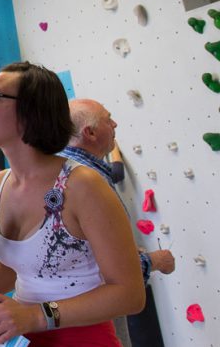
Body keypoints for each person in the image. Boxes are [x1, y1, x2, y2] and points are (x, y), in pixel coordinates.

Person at [0, 62, 145, 345]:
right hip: (25, 334)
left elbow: (130, 293)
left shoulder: (83, 186)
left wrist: (38, 316)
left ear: (32, 110)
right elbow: (17, 266)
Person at [65, 99, 174, 347]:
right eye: (107, 118)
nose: (115, 123)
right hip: (94, 320)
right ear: (89, 133)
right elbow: (94, 267)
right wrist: (155, 261)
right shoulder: (86, 182)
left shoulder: (72, 170)